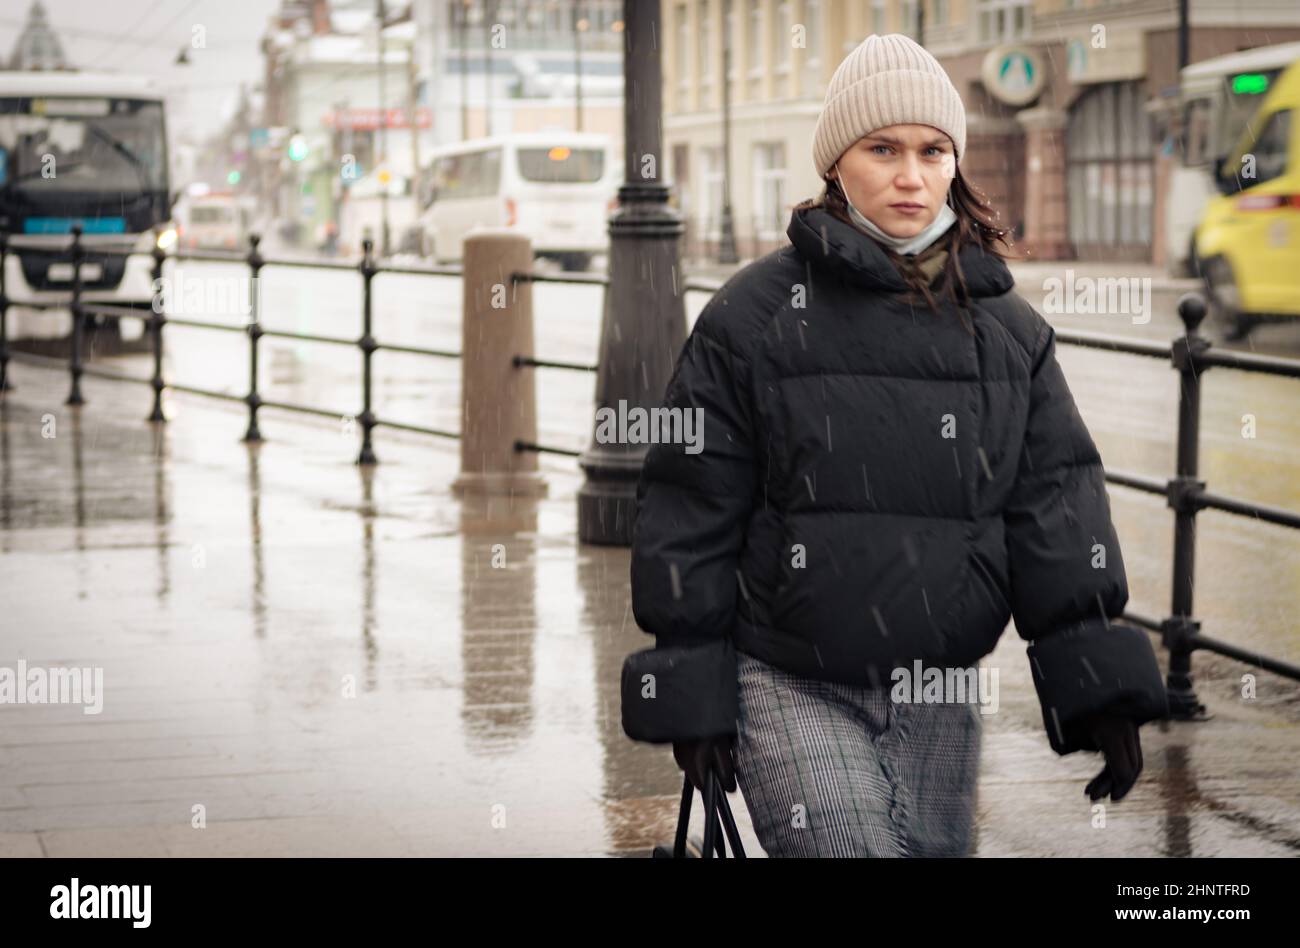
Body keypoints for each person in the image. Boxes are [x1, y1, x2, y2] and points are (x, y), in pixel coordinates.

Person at [628, 34, 1168, 858]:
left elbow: (1056, 504)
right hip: (785, 680)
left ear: (956, 164)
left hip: (942, 687)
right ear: (837, 163)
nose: (911, 175)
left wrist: (1098, 681)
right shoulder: (752, 318)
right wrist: (692, 688)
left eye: (932, 150)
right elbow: (690, 507)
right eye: (883, 149)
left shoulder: (1009, 333)